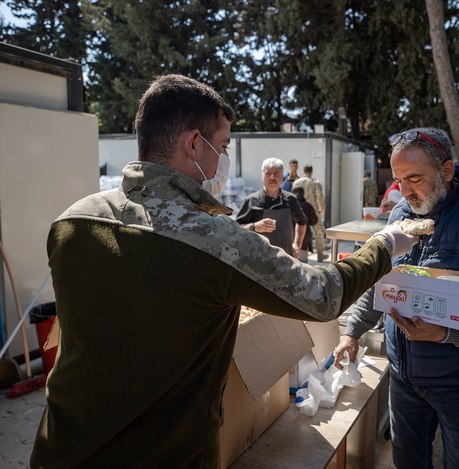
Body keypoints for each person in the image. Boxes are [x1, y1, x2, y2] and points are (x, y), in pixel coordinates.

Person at [30, 74, 421, 468]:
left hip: (61, 450)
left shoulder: (73, 221)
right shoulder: (213, 239)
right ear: (194, 144)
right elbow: (323, 295)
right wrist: (385, 246)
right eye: (222, 146)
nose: (225, 159)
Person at [334, 128, 459, 469]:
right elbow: (378, 283)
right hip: (405, 378)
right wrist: (352, 333)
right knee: (407, 461)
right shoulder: (400, 216)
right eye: (397, 179)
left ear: (447, 171)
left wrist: (445, 335)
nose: (404, 191)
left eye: (415, 179)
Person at [236, 158, 307, 257]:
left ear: (282, 177)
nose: (272, 177)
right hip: (257, 260)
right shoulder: (251, 201)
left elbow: (302, 222)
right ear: (262, 176)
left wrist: (297, 244)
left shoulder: (291, 199)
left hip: (286, 259)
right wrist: (254, 226)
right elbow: (236, 228)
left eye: (276, 174)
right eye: (268, 173)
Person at [293, 165, 326, 261]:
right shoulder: (315, 182)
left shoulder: (296, 182)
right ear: (311, 171)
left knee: (298, 231)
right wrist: (322, 208)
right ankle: (320, 255)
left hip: (299, 208)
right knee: (318, 231)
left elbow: (293, 195)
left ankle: (297, 253)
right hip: (313, 209)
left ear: (303, 171)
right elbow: (319, 196)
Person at [292, 186, 318, 263]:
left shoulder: (289, 205)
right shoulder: (308, 205)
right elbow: (314, 221)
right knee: (303, 264)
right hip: (305, 236)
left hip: (290, 237)